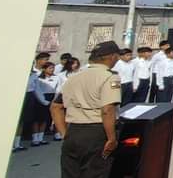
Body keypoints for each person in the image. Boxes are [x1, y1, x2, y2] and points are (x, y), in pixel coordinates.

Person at [50, 41, 122, 178]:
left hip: (73, 131)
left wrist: (65, 134)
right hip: (96, 132)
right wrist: (111, 139)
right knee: (95, 172)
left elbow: (55, 106)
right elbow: (107, 109)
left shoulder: (73, 77)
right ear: (113, 56)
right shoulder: (110, 77)